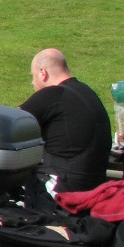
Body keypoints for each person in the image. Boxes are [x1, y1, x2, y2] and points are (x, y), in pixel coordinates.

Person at [20, 48, 112, 193]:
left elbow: (10, 124)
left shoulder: (54, 94)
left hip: (63, 186)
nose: (33, 83)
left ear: (43, 73)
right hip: (94, 186)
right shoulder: (88, 93)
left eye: (33, 76)